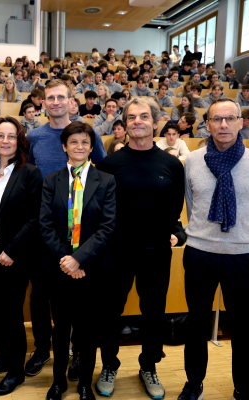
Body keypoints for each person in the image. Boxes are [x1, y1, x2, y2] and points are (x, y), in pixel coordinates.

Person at [96, 97, 184, 399]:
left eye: (144, 116)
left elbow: (175, 208)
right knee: (110, 313)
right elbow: (101, 209)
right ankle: (109, 364)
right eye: (131, 117)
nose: (137, 122)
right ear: (124, 123)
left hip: (156, 252)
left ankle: (149, 365)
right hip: (115, 252)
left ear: (156, 122)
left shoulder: (172, 164)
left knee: (153, 314)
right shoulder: (109, 164)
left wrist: (173, 234)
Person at [26, 80, 107, 377]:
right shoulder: (34, 136)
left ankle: (77, 352)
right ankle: (42, 349)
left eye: (62, 97)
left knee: (78, 296)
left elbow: (104, 171)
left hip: (81, 231)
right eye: (51, 98)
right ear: (43, 103)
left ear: (72, 101)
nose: (56, 102)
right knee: (40, 295)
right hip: (44, 228)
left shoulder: (87, 134)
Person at [178, 98, 249, 400]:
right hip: (200, 253)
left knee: (244, 327)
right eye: (216, 119)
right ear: (206, 124)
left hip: (242, 255)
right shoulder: (193, 160)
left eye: (229, 118)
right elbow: (192, 205)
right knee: (196, 323)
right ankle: (194, 383)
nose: (223, 125)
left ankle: (243, 387)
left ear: (240, 122)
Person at [41, 121, 116, 400]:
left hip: (93, 268)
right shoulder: (51, 180)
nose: (79, 147)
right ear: (64, 146)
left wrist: (79, 260)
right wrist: (67, 260)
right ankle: (58, 382)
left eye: (85, 142)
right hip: (59, 268)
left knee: (88, 329)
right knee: (60, 329)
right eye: (74, 142)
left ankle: (85, 382)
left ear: (91, 147)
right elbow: (45, 225)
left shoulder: (106, 181)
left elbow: (108, 227)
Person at [0, 117, 42, 395]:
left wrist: (11, 251)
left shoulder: (30, 173)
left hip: (14, 254)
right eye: (1, 136)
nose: (5, 141)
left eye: (11, 136)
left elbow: (35, 218)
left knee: (12, 314)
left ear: (20, 141)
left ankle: (16, 371)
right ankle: (2, 358)